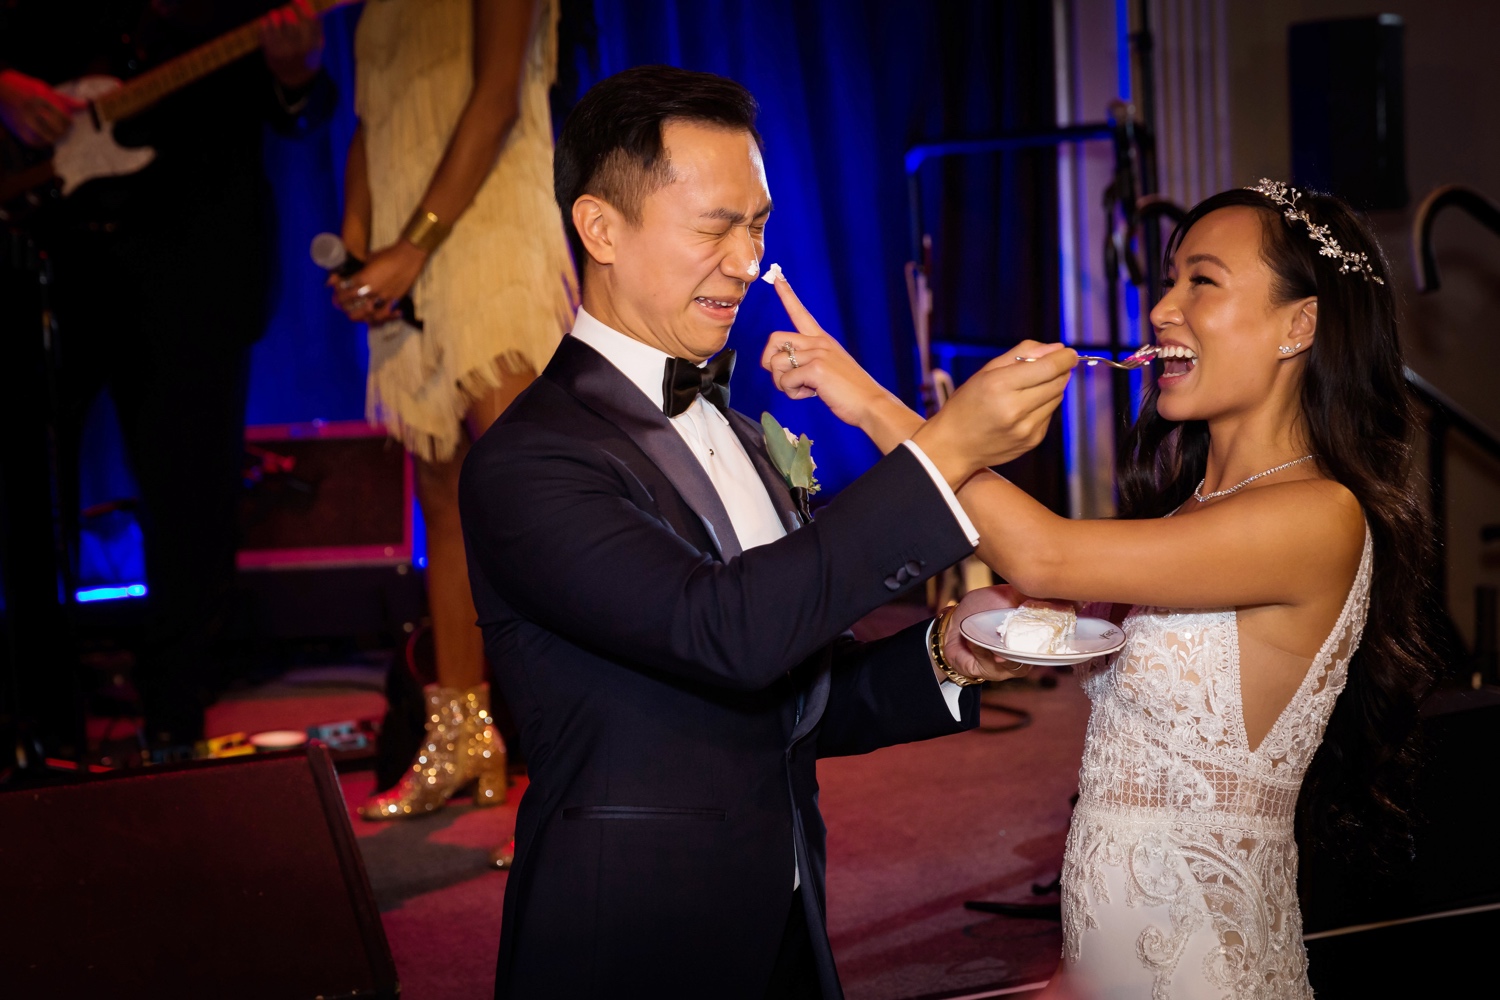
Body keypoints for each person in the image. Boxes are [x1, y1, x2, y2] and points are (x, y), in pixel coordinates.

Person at [458, 65, 1077, 1000]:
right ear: (600, 229)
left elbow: (789, 695)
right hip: (627, 941)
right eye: (715, 227)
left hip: (787, 919)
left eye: (757, 226)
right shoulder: (532, 460)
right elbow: (727, 635)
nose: (748, 262)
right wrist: (940, 451)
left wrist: (948, 654)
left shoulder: (746, 435)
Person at [762, 182, 1434, 998]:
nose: (1161, 308)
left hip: (1202, 964)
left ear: (1300, 324)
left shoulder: (1317, 515)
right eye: (1169, 279)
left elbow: (1046, 554)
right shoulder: (1195, 509)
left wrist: (868, 400)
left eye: (1203, 281)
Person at [0, 0, 331, 751]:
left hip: (194, 261)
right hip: (44, 250)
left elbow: (302, 114)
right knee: (25, 497)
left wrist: (293, 74)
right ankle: (38, 726)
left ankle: (174, 726)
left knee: (192, 506)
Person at [330, 0, 577, 823]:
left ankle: (568, 757)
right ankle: (464, 735)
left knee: (520, 504)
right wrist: (363, 244)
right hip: (408, 256)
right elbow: (371, 124)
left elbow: (497, 96)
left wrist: (415, 242)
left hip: (482, 233)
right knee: (445, 498)